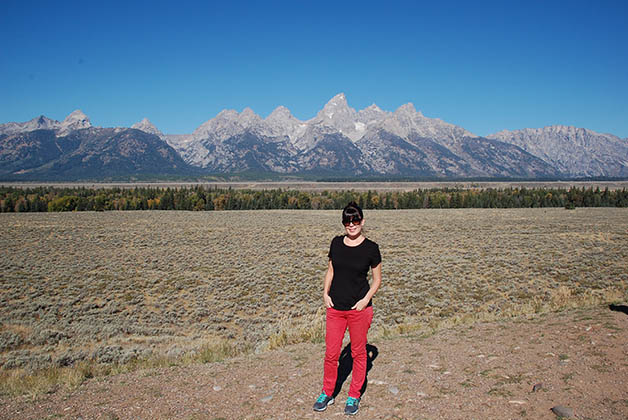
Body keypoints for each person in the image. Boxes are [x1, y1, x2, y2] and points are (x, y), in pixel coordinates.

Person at [313, 201, 382, 416]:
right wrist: (325, 293)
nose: (351, 224)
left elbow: (377, 280)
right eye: (347, 221)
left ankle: (353, 396)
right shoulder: (335, 243)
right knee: (331, 354)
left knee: (358, 354)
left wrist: (365, 301)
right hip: (335, 309)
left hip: (359, 310)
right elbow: (331, 271)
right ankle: (327, 392)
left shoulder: (371, 248)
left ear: (362, 221)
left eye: (355, 220)